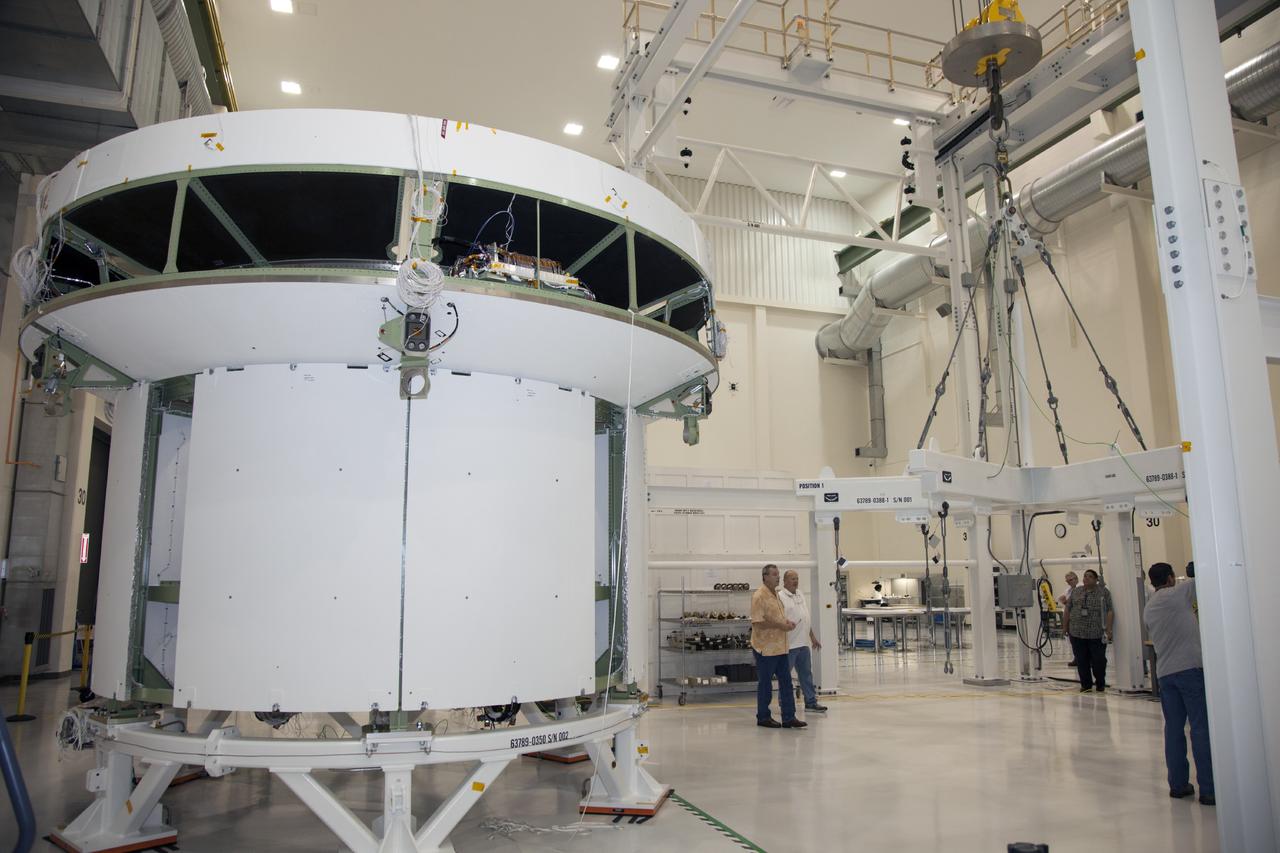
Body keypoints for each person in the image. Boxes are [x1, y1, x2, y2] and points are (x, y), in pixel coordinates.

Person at [1145, 562, 1214, 805]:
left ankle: (1178, 784)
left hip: (1165, 674)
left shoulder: (1149, 606)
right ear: (1171, 578)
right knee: (1200, 728)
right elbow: (1205, 578)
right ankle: (1209, 788)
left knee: (1173, 730)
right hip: (1189, 670)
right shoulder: (1178, 593)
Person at [750, 564, 805, 729]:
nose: (778, 577)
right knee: (766, 684)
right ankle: (763, 717)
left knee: (786, 683)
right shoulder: (759, 596)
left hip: (781, 647)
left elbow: (777, 617)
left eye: (778, 574)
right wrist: (780, 626)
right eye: (774, 574)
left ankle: (789, 717)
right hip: (765, 648)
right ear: (765, 576)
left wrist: (786, 623)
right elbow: (758, 622)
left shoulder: (776, 595)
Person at [779, 570, 827, 713]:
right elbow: (780, 620)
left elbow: (805, 618)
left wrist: (812, 637)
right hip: (789, 645)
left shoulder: (800, 594)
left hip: (803, 644)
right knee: (785, 677)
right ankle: (785, 704)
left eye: (797, 578)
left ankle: (811, 702)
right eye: (793, 579)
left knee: (806, 675)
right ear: (785, 581)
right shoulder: (780, 597)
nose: (796, 581)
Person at [1062, 568, 1113, 692]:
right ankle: (1086, 685)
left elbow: (1109, 611)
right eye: (1085, 576)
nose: (1086, 578)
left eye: (1090, 576)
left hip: (1096, 633)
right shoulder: (1076, 591)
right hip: (1077, 632)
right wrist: (1065, 627)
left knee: (1099, 660)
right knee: (1081, 660)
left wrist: (1109, 629)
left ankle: (1100, 682)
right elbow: (1068, 609)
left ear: (1096, 580)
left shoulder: (1103, 592)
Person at [1058, 572, 1080, 665]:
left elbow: (1075, 604)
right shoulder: (1068, 590)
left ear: (1076, 578)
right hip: (1070, 619)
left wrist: (1066, 602)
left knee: (1080, 641)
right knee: (1073, 641)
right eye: (1067, 581)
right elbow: (1066, 604)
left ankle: (1085, 659)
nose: (1068, 582)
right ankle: (1077, 658)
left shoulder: (1081, 589)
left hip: (1079, 619)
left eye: (1070, 580)